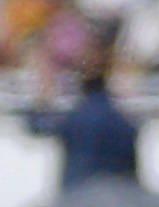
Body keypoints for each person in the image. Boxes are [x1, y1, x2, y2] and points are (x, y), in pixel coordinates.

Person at [27, 48, 142, 190]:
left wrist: (43, 97)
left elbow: (37, 127)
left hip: (79, 192)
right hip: (117, 195)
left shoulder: (74, 118)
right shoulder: (120, 120)